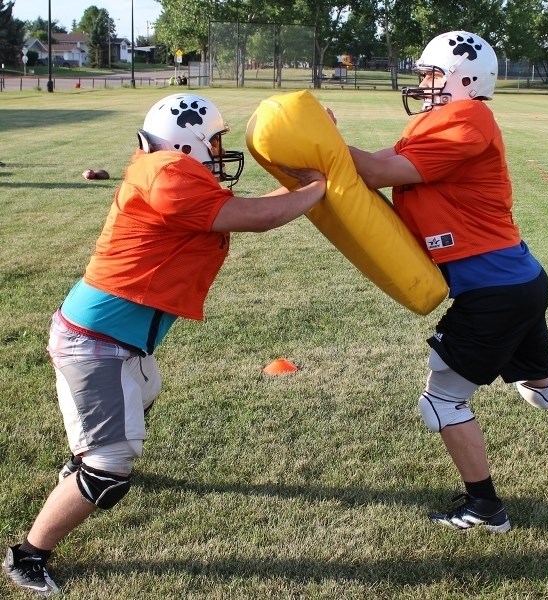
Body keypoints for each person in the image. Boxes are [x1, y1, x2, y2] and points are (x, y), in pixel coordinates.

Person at [3, 92, 326, 596]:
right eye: (215, 141)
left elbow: (242, 209)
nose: (219, 152)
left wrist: (302, 184)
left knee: (144, 393)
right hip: (96, 342)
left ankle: (82, 459)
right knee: (110, 470)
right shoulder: (169, 175)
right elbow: (258, 217)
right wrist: (319, 188)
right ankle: (27, 555)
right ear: (191, 140)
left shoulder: (165, 169)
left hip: (117, 339)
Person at [347, 31, 548, 533]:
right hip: (514, 281)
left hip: (494, 291)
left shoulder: (468, 117)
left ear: (464, 78)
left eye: (433, 74)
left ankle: (484, 508)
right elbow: (380, 160)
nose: (425, 84)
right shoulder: (445, 120)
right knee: (537, 382)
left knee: (442, 401)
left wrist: (324, 147)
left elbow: (375, 171)